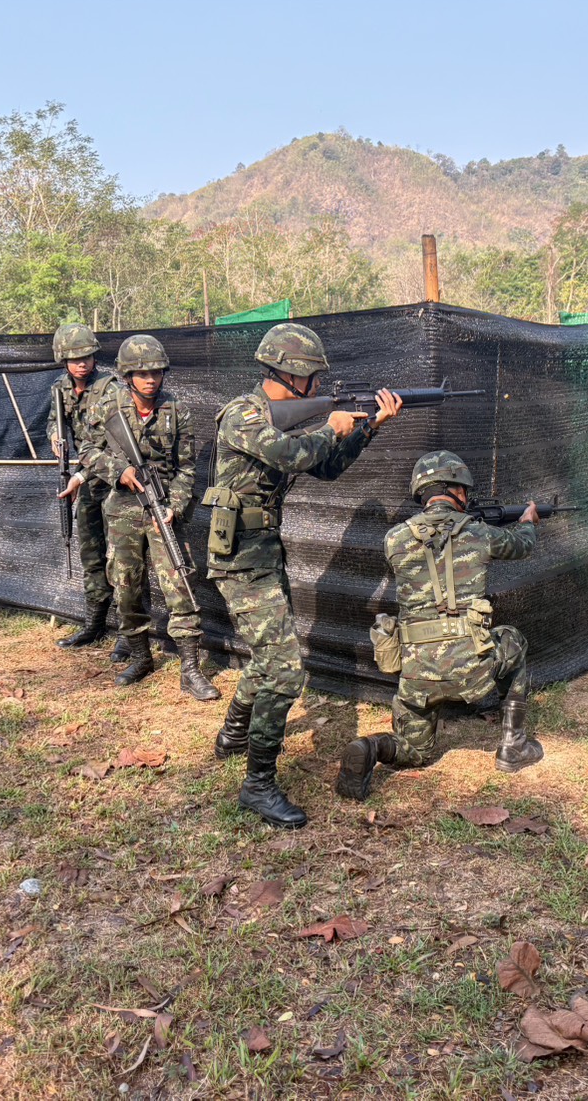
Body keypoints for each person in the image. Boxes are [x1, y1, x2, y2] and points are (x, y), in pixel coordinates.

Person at [205, 322, 402, 828]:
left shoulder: (281, 422)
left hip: (263, 555)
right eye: (314, 377)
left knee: (269, 657)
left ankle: (233, 734)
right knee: (286, 671)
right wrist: (331, 427)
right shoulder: (244, 415)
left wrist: (369, 428)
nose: (318, 386)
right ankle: (258, 786)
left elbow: (325, 468)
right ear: (291, 374)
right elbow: (290, 455)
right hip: (240, 559)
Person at [335, 451, 543, 802]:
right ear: (457, 489)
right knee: (513, 640)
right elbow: (523, 545)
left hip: (418, 675)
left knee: (414, 751)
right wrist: (528, 520)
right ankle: (513, 746)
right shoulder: (479, 533)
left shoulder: (394, 539)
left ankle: (370, 748)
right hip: (473, 671)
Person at [70, 334, 219, 701]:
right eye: (142, 373)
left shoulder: (176, 411)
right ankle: (140, 657)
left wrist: (175, 506)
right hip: (122, 509)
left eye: (156, 372)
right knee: (125, 585)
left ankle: (190, 670)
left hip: (163, 509)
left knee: (180, 584)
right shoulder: (108, 407)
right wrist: (118, 470)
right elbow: (87, 450)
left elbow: (187, 468)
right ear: (127, 376)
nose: (150, 380)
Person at [46, 323, 123, 659]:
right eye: (75, 358)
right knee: (91, 553)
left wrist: (79, 474)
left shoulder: (110, 389)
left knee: (121, 559)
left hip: (116, 480)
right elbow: (54, 420)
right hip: (87, 480)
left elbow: (110, 443)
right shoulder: (60, 389)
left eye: (87, 357)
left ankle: (128, 633)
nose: (82, 363)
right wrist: (55, 436)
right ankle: (95, 624)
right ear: (63, 360)